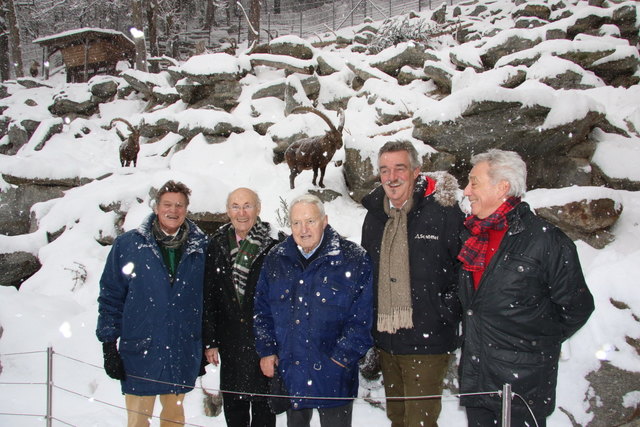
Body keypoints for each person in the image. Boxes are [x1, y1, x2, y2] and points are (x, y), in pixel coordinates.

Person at [457, 149, 594, 427]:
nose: (466, 190)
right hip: (478, 382)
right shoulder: (472, 237)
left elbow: (577, 307)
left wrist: (532, 347)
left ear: (502, 187)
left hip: (521, 390)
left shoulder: (546, 241)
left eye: (474, 182)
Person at [360, 140, 465, 427]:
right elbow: (367, 272)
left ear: (416, 171)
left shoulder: (443, 212)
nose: (391, 177)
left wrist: (444, 310)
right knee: (398, 419)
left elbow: (465, 269)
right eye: (384, 170)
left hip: (427, 339)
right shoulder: (374, 216)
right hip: (386, 339)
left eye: (399, 168)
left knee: (420, 422)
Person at [254, 194, 374, 427]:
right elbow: (262, 309)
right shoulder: (277, 259)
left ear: (325, 220)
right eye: (296, 223)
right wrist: (267, 349)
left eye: (310, 221)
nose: (303, 229)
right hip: (292, 370)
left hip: (334, 374)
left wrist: (340, 360)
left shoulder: (353, 259)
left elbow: (362, 318)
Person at [96, 180, 208, 427]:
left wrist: (202, 345)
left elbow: (207, 302)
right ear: (156, 208)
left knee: (174, 421)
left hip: (180, 350)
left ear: (186, 209)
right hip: (140, 351)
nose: (173, 210)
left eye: (180, 205)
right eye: (167, 204)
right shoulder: (129, 245)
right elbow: (111, 296)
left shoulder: (200, 248)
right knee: (137, 421)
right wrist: (108, 344)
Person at [202, 188, 279, 427]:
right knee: (235, 413)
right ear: (227, 211)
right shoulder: (216, 244)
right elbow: (209, 296)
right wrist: (210, 340)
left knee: (265, 414)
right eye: (235, 206)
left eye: (248, 205)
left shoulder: (275, 245)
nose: (241, 212)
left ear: (258, 209)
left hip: (264, 344)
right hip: (231, 343)